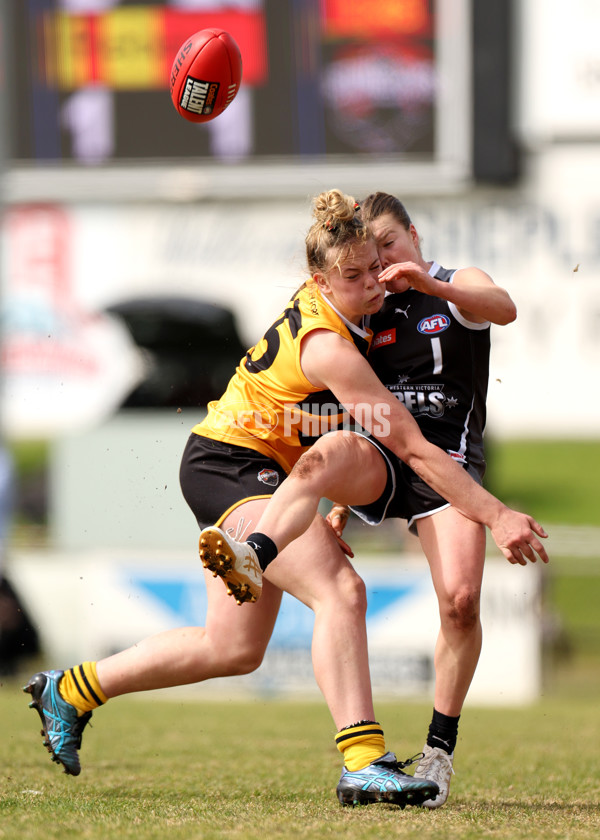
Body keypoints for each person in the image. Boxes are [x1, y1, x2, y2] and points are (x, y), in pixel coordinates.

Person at [24, 189, 440, 809]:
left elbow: (312, 426)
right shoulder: (330, 345)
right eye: (353, 276)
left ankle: (74, 689)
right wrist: (486, 507)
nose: (372, 283)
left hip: (240, 463)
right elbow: (399, 438)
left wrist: (324, 501)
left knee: (234, 649)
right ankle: (365, 763)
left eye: (375, 269)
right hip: (233, 465)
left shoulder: (337, 312)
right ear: (320, 279)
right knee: (341, 592)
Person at [197, 193, 549, 808]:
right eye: (368, 256)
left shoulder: (450, 285)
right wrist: (334, 506)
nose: (383, 263)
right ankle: (254, 551)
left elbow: (504, 307)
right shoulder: (360, 313)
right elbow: (352, 410)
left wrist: (432, 288)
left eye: (390, 246)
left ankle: (439, 749)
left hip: (449, 464)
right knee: (322, 455)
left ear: (413, 236)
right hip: (387, 455)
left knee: (461, 603)